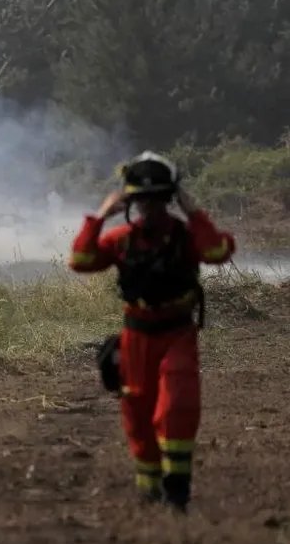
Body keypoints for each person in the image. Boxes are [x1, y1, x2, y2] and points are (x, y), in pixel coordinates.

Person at [68, 150, 236, 513]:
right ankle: (149, 491)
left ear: (169, 200)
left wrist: (192, 211)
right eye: (142, 201)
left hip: (177, 333)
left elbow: (218, 250)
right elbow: (80, 260)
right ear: (132, 202)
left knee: (178, 404)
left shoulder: (187, 237)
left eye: (158, 200)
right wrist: (100, 215)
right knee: (138, 415)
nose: (150, 209)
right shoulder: (121, 239)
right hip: (136, 337)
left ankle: (178, 488)